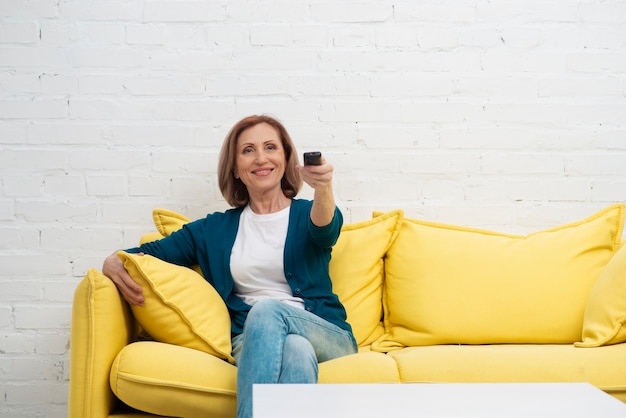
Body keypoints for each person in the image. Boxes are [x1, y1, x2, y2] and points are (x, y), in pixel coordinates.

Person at [102, 114, 357, 418]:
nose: (260, 157)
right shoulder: (213, 230)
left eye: (271, 147)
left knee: (268, 310)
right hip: (251, 340)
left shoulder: (307, 214)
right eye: (248, 150)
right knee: (297, 351)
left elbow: (326, 229)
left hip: (328, 334)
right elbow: (149, 253)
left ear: (286, 158)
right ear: (235, 168)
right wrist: (113, 260)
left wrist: (324, 187)